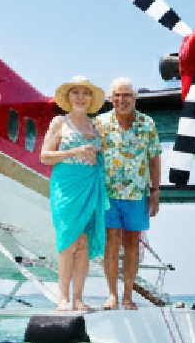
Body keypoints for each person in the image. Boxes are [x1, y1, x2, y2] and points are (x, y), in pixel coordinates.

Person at [40, 76, 109, 312]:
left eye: (85, 93)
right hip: (66, 186)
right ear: (68, 97)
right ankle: (63, 298)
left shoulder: (97, 126)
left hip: (90, 185)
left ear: (91, 99)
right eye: (75, 92)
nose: (80, 97)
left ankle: (78, 299)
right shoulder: (59, 122)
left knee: (83, 244)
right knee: (68, 241)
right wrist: (75, 151)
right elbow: (45, 157)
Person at [96, 77, 162, 310]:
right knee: (111, 244)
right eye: (117, 95)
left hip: (137, 194)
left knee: (132, 244)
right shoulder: (100, 123)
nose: (121, 99)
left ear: (134, 98)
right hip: (108, 193)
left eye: (126, 95)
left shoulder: (147, 124)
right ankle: (112, 295)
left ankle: (127, 296)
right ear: (110, 98)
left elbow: (154, 158)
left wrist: (155, 190)